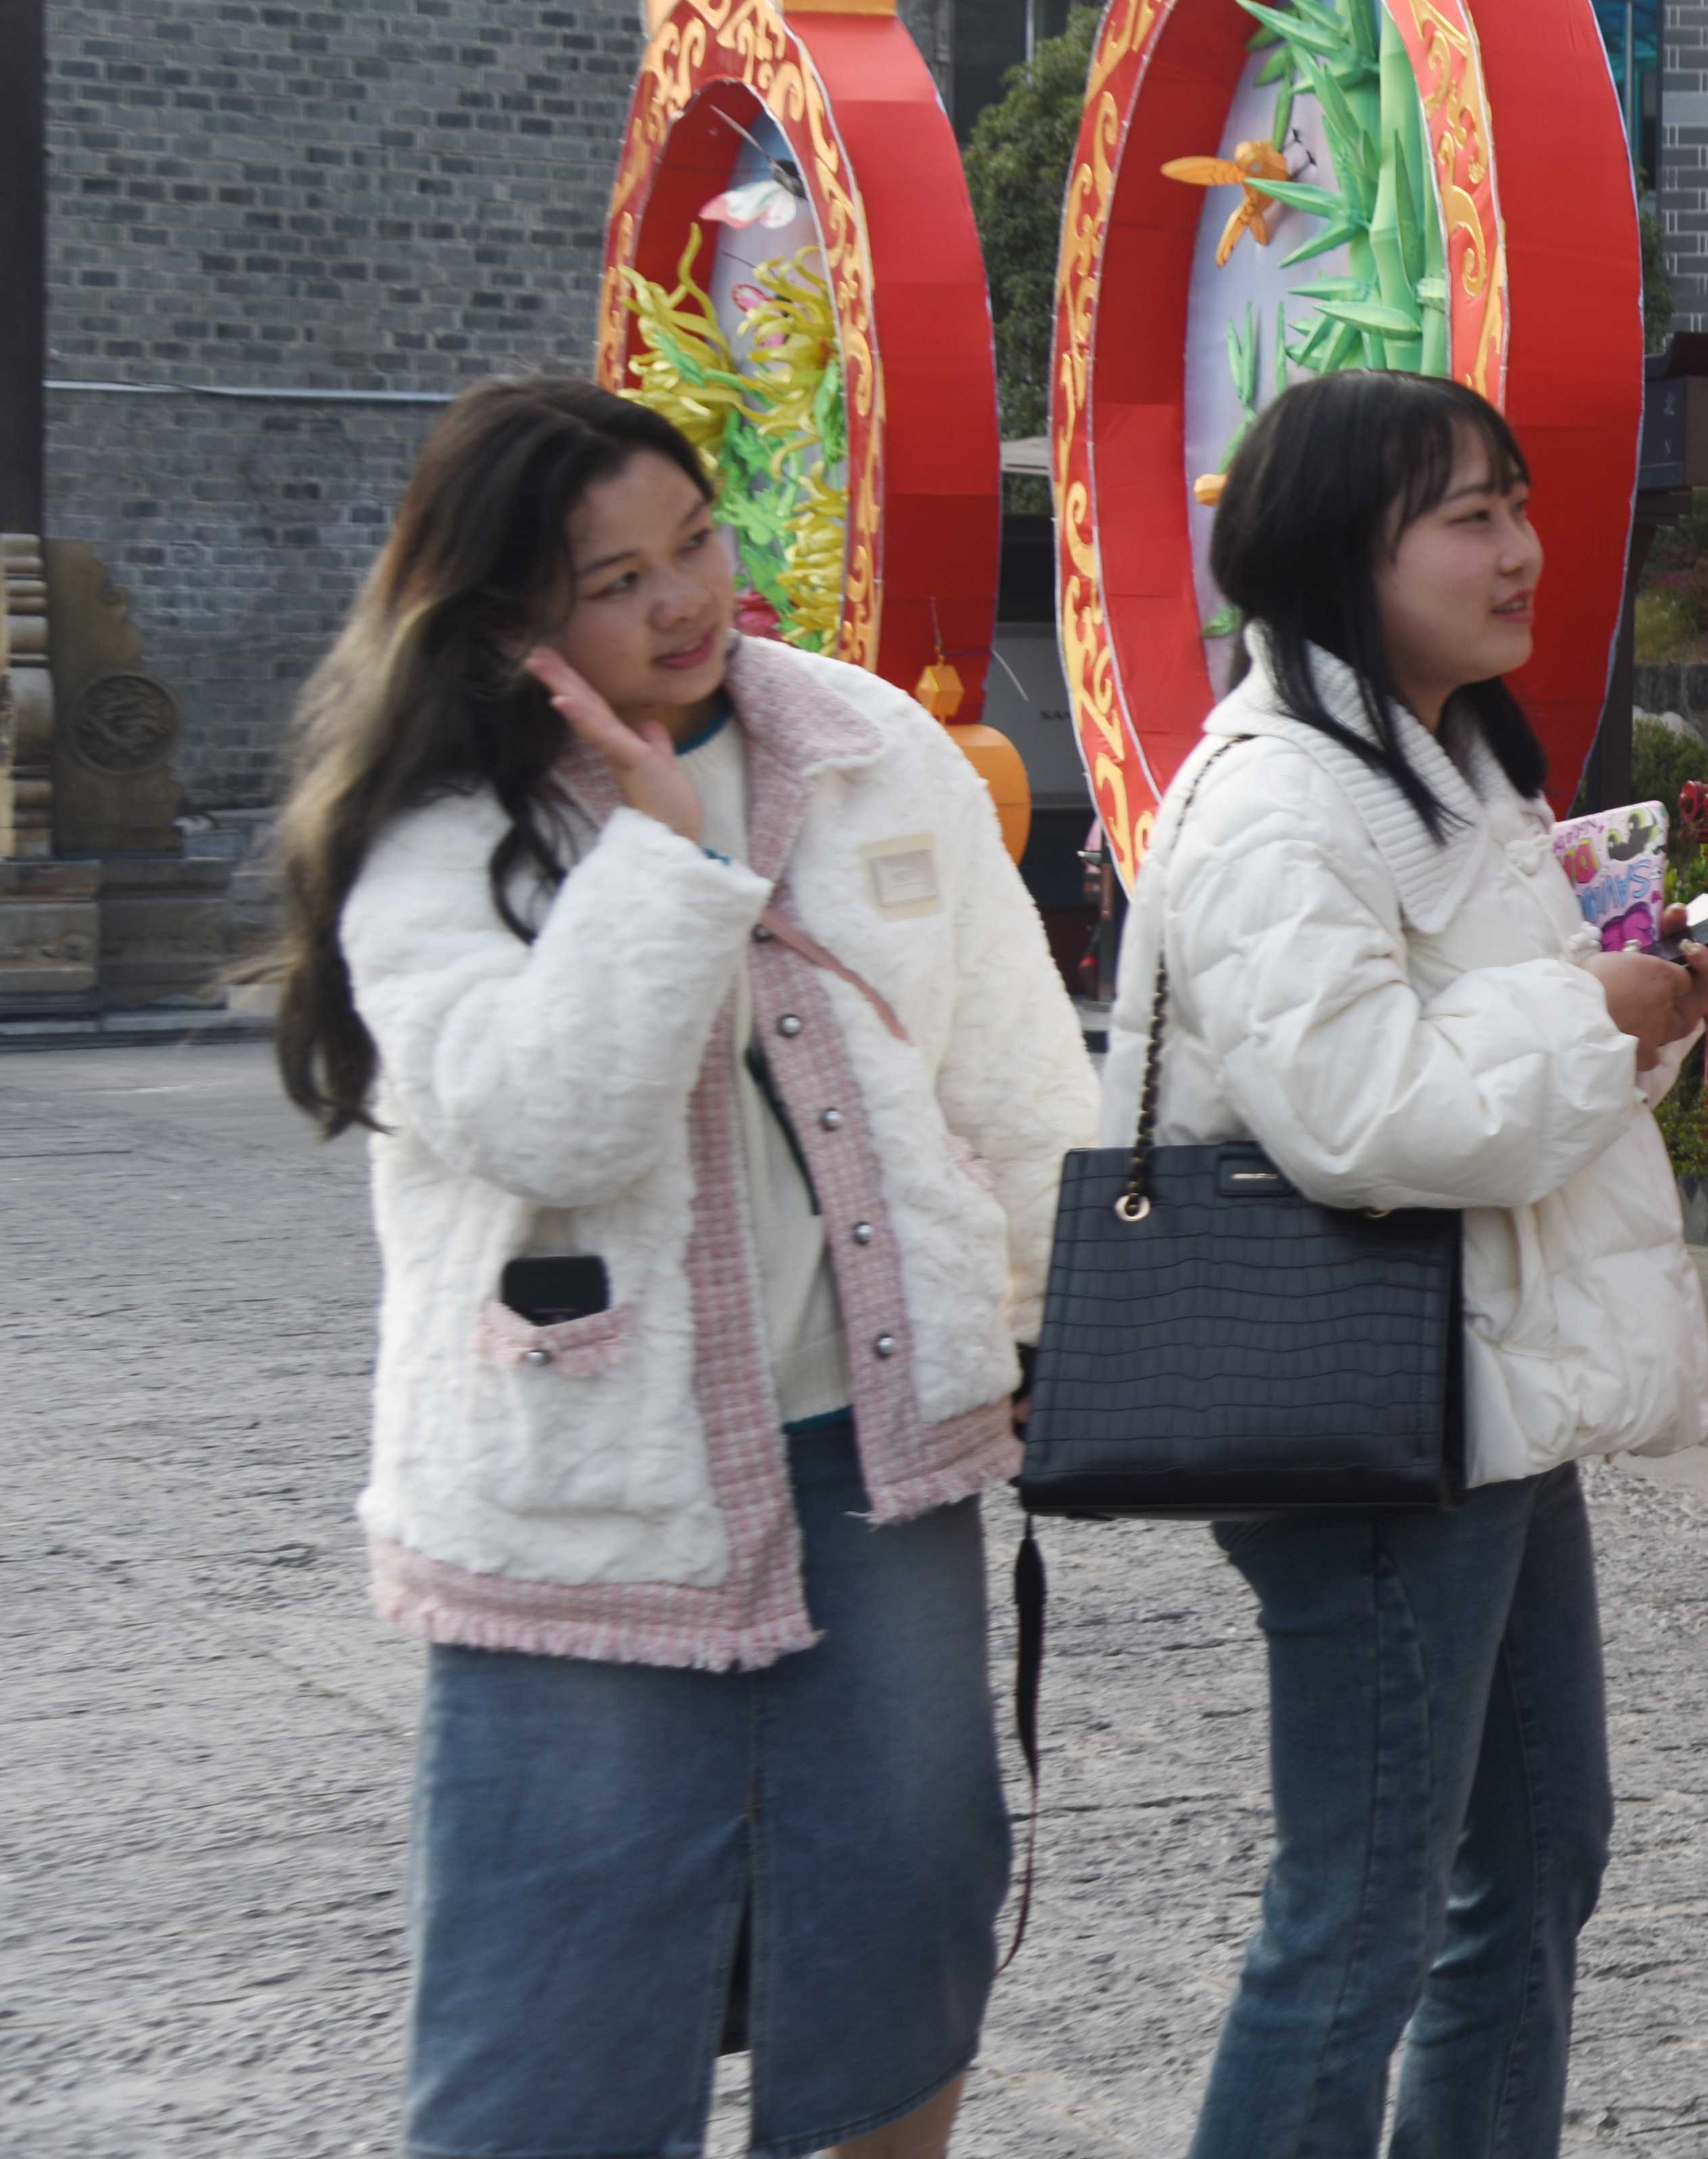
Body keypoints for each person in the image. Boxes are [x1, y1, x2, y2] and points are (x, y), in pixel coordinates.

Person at [266, 378, 1095, 2159]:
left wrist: (1053, 1324)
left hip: (874, 1450)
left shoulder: (870, 743)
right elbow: (547, 1124)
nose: (682, 599)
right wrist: (656, 851)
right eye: (615, 578)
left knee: (906, 1908)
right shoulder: (439, 823)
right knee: (562, 1964)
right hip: (588, 1489)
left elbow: (1012, 1068)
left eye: (696, 542)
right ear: (503, 611)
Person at [1107, 368, 1708, 2159]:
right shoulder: (1278, 802)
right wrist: (1592, 1011)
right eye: (1471, 516)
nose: (1521, 548)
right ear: (1341, 551)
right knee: (1361, 1913)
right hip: (1373, 1420)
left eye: (1519, 504)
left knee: (1534, 1857)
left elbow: (1508, 1062)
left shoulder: (1440, 766)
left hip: (1485, 1398)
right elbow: (1359, 1113)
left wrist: (1640, 1005)